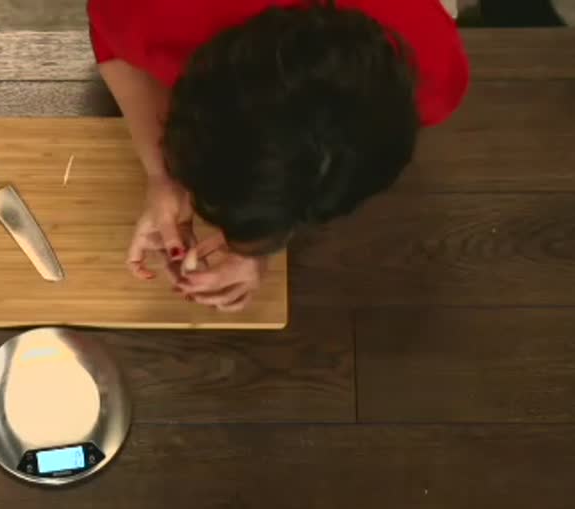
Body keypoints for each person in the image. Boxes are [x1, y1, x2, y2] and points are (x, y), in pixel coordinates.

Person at [89, 0, 470, 312]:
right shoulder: (149, 8)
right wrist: (163, 173)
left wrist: (257, 239)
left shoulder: (427, 67)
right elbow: (110, 40)